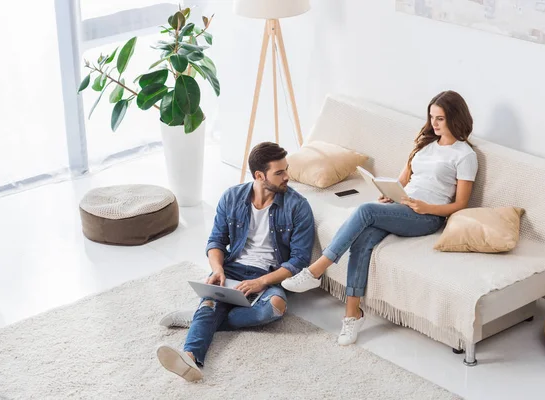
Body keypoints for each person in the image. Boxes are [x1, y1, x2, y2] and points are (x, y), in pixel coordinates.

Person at [281, 90, 479, 346]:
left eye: (440, 118)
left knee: (365, 211)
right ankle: (352, 314)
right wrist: (388, 193)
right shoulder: (424, 146)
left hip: (427, 217)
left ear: (455, 118)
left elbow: (460, 203)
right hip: (402, 206)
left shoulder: (465, 155)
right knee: (363, 238)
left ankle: (316, 270)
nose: (434, 124)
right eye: (431, 117)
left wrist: (427, 208)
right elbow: (401, 181)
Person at [156, 142, 315, 382]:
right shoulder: (232, 197)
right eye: (279, 172)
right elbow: (215, 242)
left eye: (286, 169)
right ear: (260, 176)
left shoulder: (298, 206)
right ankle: (190, 357)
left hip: (269, 274)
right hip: (232, 269)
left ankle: (201, 317)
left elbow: (299, 260)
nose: (287, 177)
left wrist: (261, 282)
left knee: (275, 307)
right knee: (212, 297)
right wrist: (218, 270)